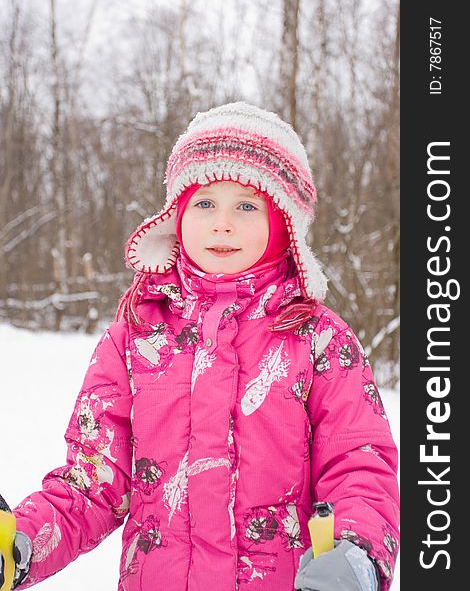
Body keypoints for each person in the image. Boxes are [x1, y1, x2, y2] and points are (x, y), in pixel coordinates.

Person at [1, 102, 399, 590]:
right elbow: (92, 482)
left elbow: (358, 463)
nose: (222, 223)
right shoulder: (136, 338)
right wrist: (20, 540)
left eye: (247, 205)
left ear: (285, 225)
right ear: (177, 213)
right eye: (204, 202)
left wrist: (354, 552)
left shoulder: (319, 339)